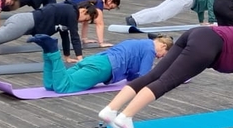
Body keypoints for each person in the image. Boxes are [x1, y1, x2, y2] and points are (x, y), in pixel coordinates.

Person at [97, 27, 233, 128]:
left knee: (153, 75)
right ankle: (125, 117)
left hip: (197, 34)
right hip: (207, 43)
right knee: (166, 81)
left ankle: (110, 110)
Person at [27, 34, 171, 94]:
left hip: (95, 60)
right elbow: (144, 78)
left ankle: (47, 51)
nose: (159, 58)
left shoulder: (139, 43)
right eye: (162, 55)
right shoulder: (150, 50)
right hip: (102, 69)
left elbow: (133, 76)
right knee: (63, 87)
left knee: (51, 85)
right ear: (163, 46)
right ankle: (52, 50)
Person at [124, 0, 214, 29]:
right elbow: (211, 6)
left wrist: (201, 22)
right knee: (162, 15)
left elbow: (200, 7)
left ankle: (132, 17)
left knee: (158, 9)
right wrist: (211, 21)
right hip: (186, 0)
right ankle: (135, 21)